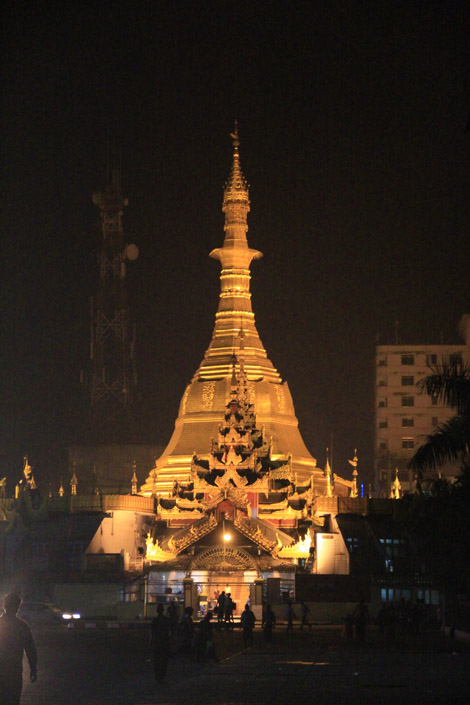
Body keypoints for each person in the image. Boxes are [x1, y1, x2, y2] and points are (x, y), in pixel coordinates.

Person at [0, 592, 37, 705]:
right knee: (13, 699)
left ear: (4, 606)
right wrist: (33, 669)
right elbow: (30, 650)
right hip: (14, 670)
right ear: (18, 607)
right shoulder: (22, 626)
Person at [149, 603, 171, 683]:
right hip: (164, 642)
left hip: (157, 642)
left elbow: (152, 633)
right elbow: (169, 632)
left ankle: (157, 676)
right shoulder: (166, 620)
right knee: (164, 660)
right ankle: (161, 675)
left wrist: (150, 643)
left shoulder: (155, 620)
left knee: (157, 660)